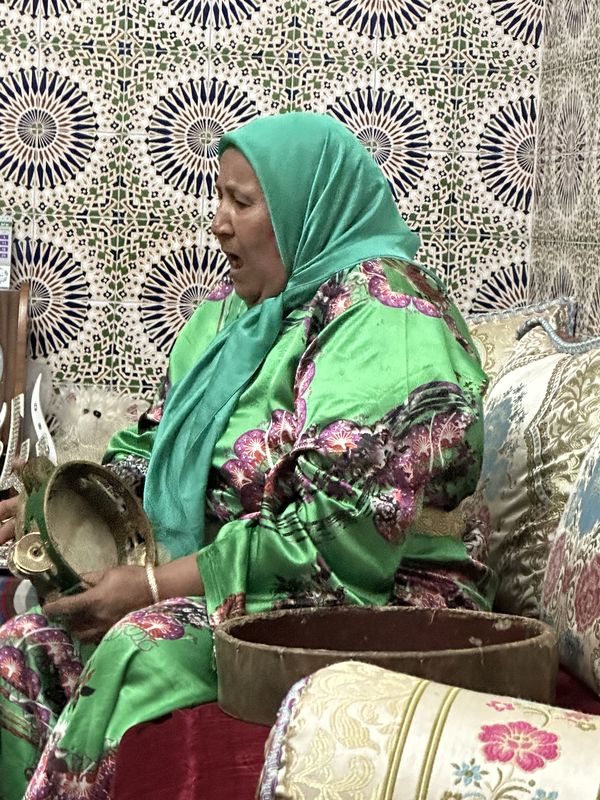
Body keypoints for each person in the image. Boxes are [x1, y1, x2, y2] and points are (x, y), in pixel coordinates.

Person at [0, 112, 494, 799]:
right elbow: (154, 453)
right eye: (218, 197)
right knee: (25, 644)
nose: (217, 223)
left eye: (241, 201)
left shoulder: (385, 318)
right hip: (230, 577)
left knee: (139, 644)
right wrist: (60, 508)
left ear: (306, 207)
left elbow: (340, 537)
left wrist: (150, 588)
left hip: (377, 595)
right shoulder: (230, 322)